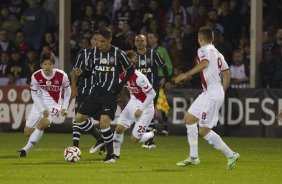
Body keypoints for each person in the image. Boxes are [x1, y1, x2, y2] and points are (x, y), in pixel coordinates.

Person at [175, 26, 239, 170]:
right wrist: (222, 90)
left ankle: (231, 154)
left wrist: (186, 75)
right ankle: (193, 157)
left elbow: (204, 63)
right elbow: (227, 73)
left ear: (200, 39)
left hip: (212, 94)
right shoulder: (218, 52)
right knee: (189, 119)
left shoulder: (203, 50)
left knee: (203, 130)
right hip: (209, 92)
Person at [74, 28, 134, 163]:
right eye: (97, 41)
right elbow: (89, 71)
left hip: (110, 92)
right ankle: (100, 138)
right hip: (96, 91)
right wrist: (81, 73)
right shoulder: (93, 53)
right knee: (79, 118)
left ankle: (111, 155)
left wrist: (119, 86)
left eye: (102, 41)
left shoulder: (118, 53)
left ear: (109, 40)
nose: (99, 44)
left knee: (104, 123)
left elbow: (131, 69)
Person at [18, 52, 71, 157]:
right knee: (27, 132)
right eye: (45, 64)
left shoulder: (61, 75)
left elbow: (68, 90)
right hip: (39, 105)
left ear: (53, 65)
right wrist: (42, 109)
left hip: (54, 105)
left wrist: (64, 107)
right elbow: (34, 94)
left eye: (50, 64)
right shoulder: (36, 76)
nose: (48, 66)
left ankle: (24, 150)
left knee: (43, 123)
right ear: (41, 65)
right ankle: (37, 132)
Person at [113, 50, 157, 158]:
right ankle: (115, 154)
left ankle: (151, 133)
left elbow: (152, 94)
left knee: (135, 139)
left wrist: (141, 109)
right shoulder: (123, 76)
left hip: (146, 108)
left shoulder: (139, 77)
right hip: (132, 103)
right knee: (118, 129)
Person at [70, 31, 105, 154]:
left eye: (99, 40)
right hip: (84, 90)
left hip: (100, 91)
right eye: (94, 39)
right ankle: (75, 146)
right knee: (78, 117)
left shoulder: (105, 55)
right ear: (91, 41)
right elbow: (74, 71)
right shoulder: (83, 54)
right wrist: (73, 86)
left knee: (102, 119)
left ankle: (102, 140)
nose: (97, 42)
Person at [134, 34, 170, 149]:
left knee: (148, 112)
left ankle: (150, 140)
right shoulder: (133, 56)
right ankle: (149, 138)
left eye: (142, 40)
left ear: (146, 43)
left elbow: (164, 66)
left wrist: (167, 80)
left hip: (151, 89)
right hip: (138, 90)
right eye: (137, 41)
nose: (140, 42)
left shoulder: (153, 54)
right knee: (143, 114)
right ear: (135, 43)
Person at [147, 32, 173, 136]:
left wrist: (164, 78)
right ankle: (152, 127)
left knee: (162, 104)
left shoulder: (162, 51)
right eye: (148, 37)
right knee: (150, 104)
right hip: (149, 80)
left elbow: (168, 66)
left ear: (156, 39)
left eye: (151, 37)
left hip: (159, 80)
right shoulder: (147, 52)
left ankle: (165, 128)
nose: (149, 39)